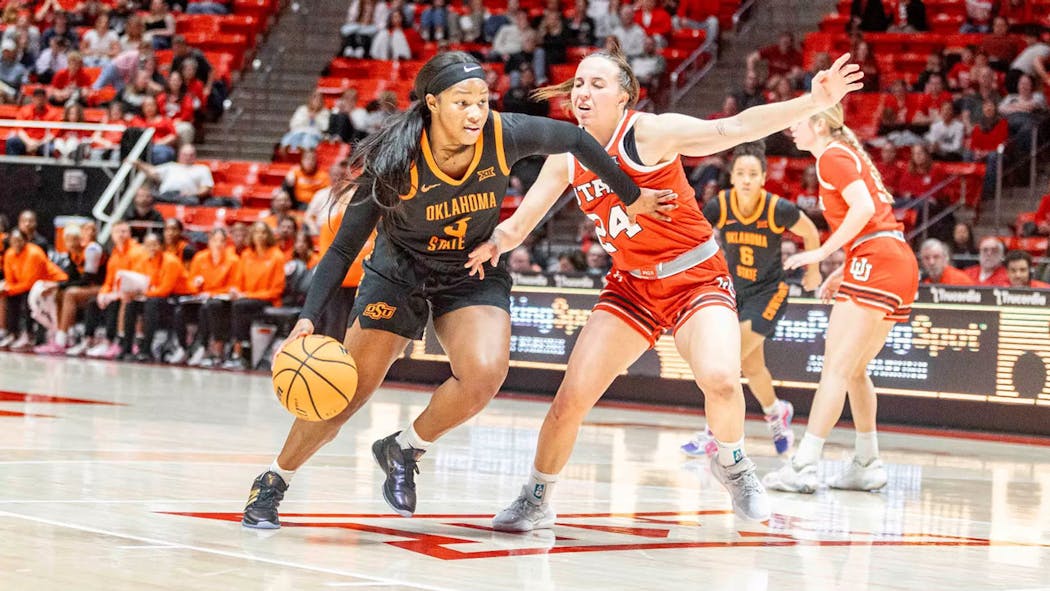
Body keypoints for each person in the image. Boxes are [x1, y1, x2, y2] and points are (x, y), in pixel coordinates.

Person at [240, 50, 669, 529]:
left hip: (467, 269)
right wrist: (307, 319)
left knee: (484, 375)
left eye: (482, 100)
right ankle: (274, 480)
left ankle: (403, 448)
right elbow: (341, 250)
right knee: (347, 393)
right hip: (398, 272)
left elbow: (573, 138)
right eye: (462, 102)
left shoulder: (503, 134)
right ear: (432, 103)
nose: (475, 112)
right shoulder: (395, 159)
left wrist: (632, 196)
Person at [467, 48, 863, 528]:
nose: (583, 93)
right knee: (571, 397)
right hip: (631, 287)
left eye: (596, 84)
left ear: (624, 96)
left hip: (695, 277)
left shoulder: (648, 133)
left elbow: (734, 128)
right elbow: (518, 227)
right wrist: (495, 242)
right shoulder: (565, 156)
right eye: (577, 84)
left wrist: (811, 101)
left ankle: (734, 465)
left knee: (720, 377)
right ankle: (536, 498)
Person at [762, 102, 920, 494]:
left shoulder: (831, 155)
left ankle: (803, 465)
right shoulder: (842, 154)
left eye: (797, 121)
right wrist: (843, 268)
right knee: (852, 371)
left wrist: (819, 253)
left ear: (819, 123)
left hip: (877, 259)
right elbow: (874, 219)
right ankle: (867, 462)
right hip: (895, 260)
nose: (791, 128)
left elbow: (865, 209)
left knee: (834, 368)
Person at [681, 142, 822, 458]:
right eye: (740, 173)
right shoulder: (721, 204)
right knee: (751, 365)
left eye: (752, 174)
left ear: (763, 178)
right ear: (732, 176)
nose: (746, 179)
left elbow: (811, 232)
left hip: (768, 292)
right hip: (734, 291)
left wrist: (813, 271)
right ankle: (776, 412)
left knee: (725, 361)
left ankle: (714, 432)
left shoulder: (776, 208)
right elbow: (696, 235)